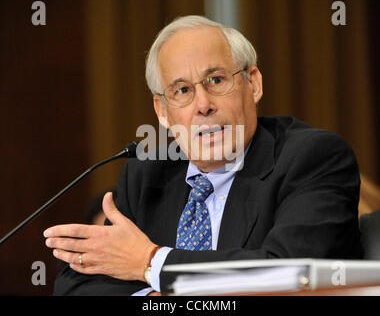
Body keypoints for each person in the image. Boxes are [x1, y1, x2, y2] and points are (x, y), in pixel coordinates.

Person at [45, 15, 363, 296]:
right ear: (163, 111)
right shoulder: (144, 176)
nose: (203, 105)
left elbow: (287, 273)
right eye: (182, 90)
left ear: (253, 83)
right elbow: (75, 286)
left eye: (216, 80)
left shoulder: (312, 158)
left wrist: (152, 262)